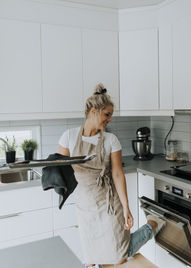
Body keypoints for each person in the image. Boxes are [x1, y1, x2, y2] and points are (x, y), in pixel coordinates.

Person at [58, 83, 165, 268]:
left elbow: (117, 174)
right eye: (107, 115)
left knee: (120, 253)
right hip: (85, 203)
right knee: (91, 255)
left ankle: (151, 226)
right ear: (93, 111)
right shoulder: (68, 137)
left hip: (108, 203)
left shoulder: (110, 140)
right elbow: (62, 171)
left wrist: (126, 207)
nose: (109, 120)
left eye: (110, 116)